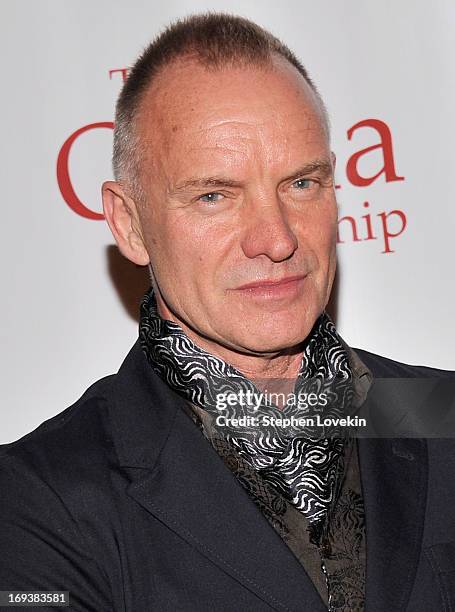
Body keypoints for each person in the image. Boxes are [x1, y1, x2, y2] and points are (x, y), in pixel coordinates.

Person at [1, 13, 454, 612]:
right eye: (214, 195)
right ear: (129, 224)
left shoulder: (440, 415)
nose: (276, 239)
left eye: (301, 183)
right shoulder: (40, 496)